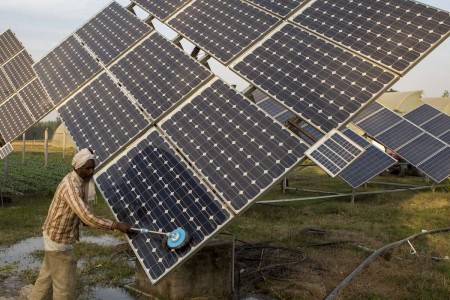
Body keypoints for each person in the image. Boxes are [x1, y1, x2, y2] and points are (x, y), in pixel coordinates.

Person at [30, 148, 133, 300]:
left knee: (46, 280)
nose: (91, 171)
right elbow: (86, 217)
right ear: (77, 167)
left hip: (53, 237)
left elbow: (84, 216)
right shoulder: (70, 187)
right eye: (87, 168)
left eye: (93, 167)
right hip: (59, 242)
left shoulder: (80, 182)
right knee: (64, 288)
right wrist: (116, 225)